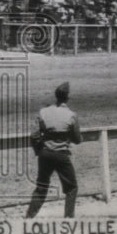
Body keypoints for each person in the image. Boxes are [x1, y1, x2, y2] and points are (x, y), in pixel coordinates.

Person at [26, 82, 82, 218]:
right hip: (61, 155)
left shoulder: (44, 112)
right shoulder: (71, 115)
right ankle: (68, 220)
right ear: (67, 97)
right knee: (71, 188)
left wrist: (39, 150)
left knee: (41, 188)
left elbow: (34, 135)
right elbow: (77, 139)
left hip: (45, 154)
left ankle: (28, 219)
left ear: (56, 96)